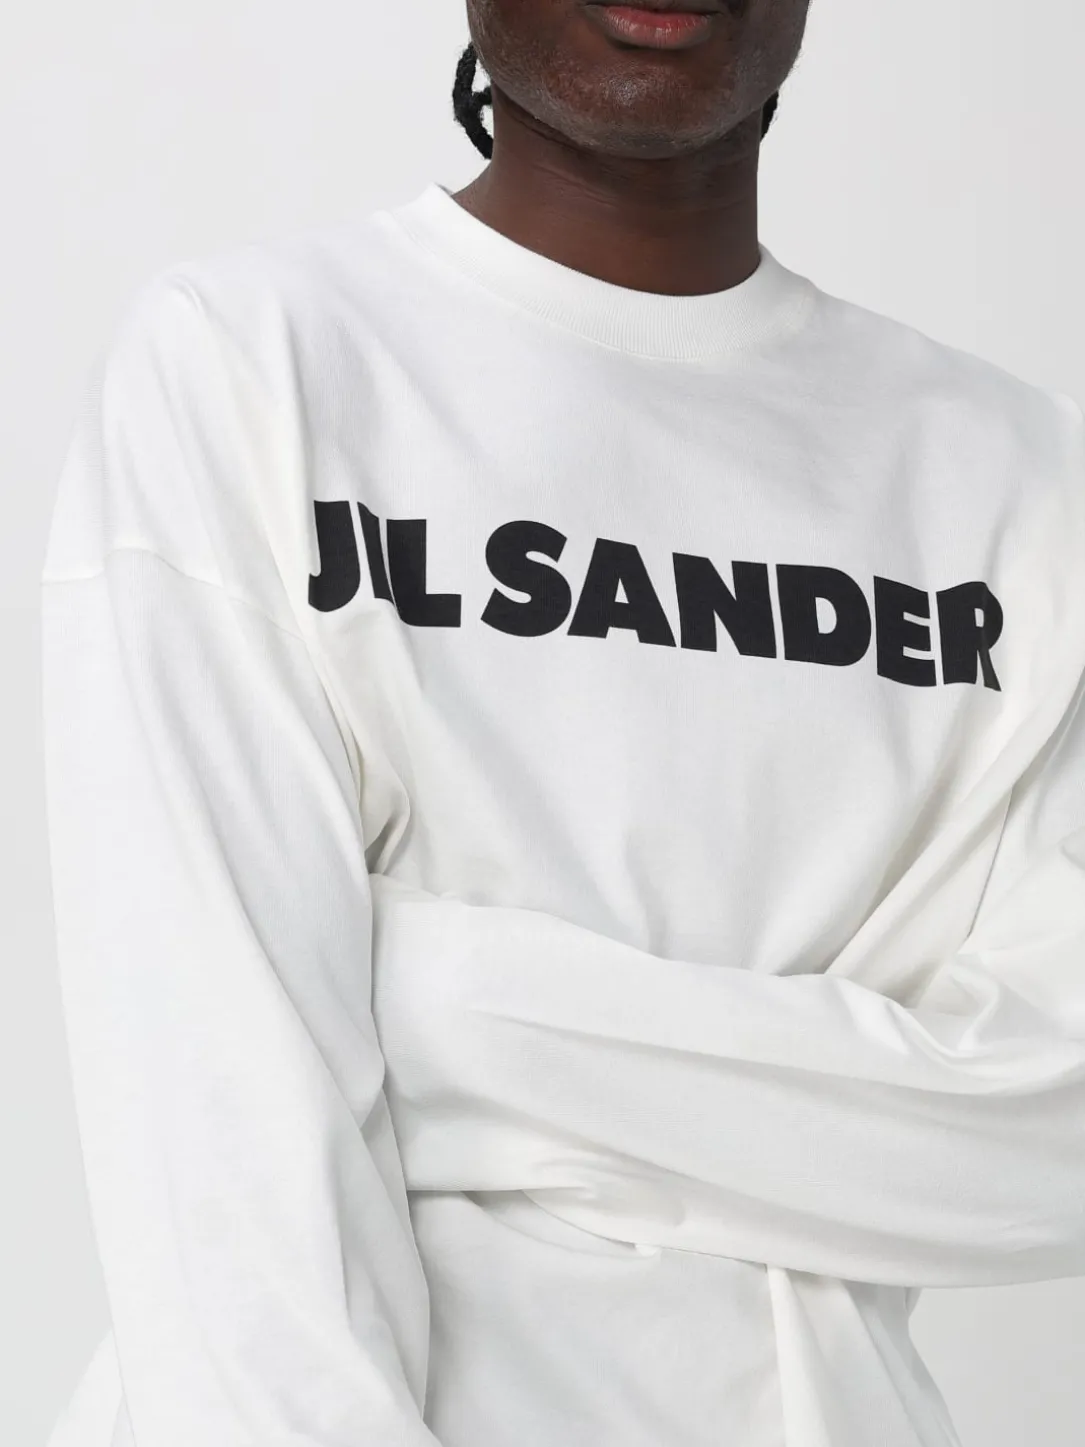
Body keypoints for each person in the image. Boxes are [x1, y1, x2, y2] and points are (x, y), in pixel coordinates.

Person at [38, 4, 1085, 1447]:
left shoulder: (1010, 475)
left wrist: (433, 1005)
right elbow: (216, 1137)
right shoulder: (254, 364)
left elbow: (1052, 1130)